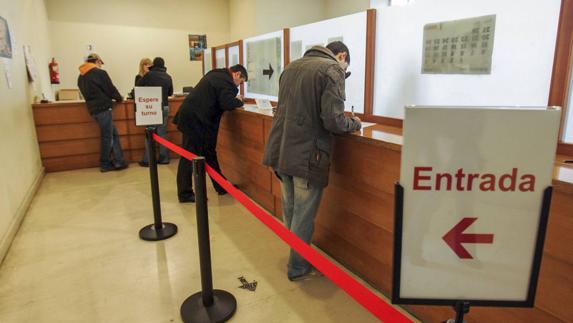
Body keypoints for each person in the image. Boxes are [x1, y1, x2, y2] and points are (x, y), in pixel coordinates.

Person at [262, 42, 361, 281]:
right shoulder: (332, 70)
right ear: (342, 55)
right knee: (303, 215)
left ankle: (296, 252)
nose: (344, 67)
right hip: (307, 156)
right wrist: (354, 123)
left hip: (281, 150)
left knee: (291, 210)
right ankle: (297, 267)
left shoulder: (291, 67)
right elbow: (333, 121)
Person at [175, 64, 248, 203]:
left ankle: (221, 186)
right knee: (189, 156)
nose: (239, 85)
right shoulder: (225, 80)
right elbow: (227, 103)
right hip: (195, 121)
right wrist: (239, 100)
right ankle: (184, 193)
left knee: (209, 153)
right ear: (237, 74)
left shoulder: (218, 75)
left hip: (196, 119)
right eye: (241, 81)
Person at [77, 53, 128, 173]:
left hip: (93, 109)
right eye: (100, 63)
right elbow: (110, 89)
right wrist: (119, 98)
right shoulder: (99, 73)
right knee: (107, 137)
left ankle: (119, 161)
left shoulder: (81, 76)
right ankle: (105, 164)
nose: (101, 65)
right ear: (97, 61)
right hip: (104, 108)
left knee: (112, 134)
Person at [136, 57, 174, 166]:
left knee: (150, 132)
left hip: (152, 107)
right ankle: (164, 158)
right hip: (165, 107)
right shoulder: (168, 76)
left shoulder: (149, 75)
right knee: (162, 133)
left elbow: (138, 87)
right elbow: (170, 93)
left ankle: (148, 160)